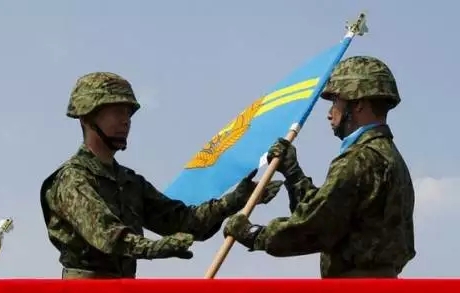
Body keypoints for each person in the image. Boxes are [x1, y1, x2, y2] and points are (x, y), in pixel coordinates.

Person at [40, 71, 283, 279]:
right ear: (87, 117)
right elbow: (107, 235)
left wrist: (235, 200)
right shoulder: (71, 179)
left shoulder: (129, 181)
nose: (125, 121)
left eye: (128, 113)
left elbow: (183, 222)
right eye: (116, 112)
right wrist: (155, 248)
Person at [222, 56, 416, 278]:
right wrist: (293, 173)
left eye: (336, 102)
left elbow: (315, 226)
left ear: (358, 103)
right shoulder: (391, 158)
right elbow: (328, 211)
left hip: (354, 290)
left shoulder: (359, 159)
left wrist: (253, 234)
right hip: (381, 288)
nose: (330, 113)